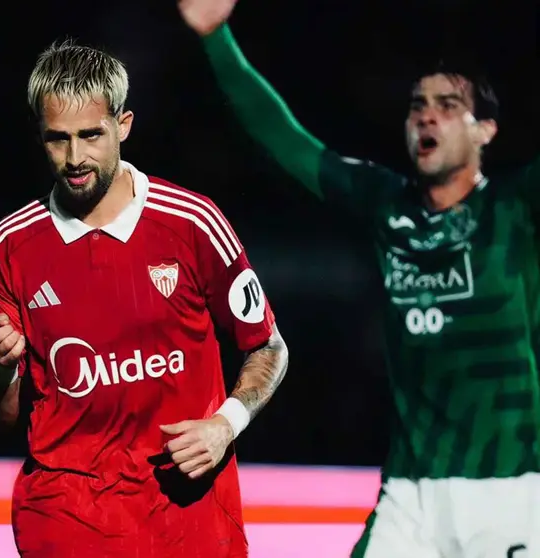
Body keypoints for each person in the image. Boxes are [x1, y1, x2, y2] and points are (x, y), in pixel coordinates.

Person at [178, 1, 540, 556]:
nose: (426, 115)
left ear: (486, 130)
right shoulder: (385, 203)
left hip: (510, 490)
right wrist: (216, 37)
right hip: (411, 498)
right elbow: (287, 141)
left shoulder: (518, 207)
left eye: (448, 105)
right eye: (418, 104)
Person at [0, 40, 289, 557]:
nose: (74, 158)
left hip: (189, 516)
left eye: (91, 135)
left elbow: (268, 347)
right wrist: (1, 370)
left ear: (124, 124)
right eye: (57, 139)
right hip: (65, 517)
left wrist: (225, 425)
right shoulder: (11, 245)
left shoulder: (193, 223)